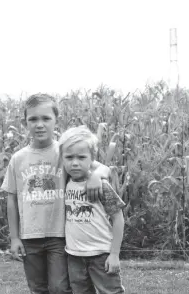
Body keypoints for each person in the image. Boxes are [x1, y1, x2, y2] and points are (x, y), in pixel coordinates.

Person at [2, 93, 110, 294]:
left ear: (56, 120)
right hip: (29, 236)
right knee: (37, 288)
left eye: (46, 118)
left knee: (60, 288)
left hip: (60, 235)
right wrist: (14, 238)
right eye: (33, 119)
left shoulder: (65, 151)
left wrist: (97, 176)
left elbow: (103, 168)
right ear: (25, 123)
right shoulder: (18, 159)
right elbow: (12, 199)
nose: (39, 124)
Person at [59, 126, 126, 294]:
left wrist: (114, 254)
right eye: (69, 157)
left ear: (92, 159)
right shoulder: (65, 181)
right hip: (74, 256)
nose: (75, 162)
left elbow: (118, 218)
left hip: (101, 254)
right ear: (62, 158)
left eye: (81, 157)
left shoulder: (101, 185)